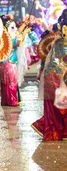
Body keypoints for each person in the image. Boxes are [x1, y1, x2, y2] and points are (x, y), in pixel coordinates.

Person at [32, 12, 67, 141]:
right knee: (57, 108)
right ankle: (52, 131)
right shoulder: (61, 43)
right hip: (55, 80)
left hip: (57, 78)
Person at [0, 16, 27, 107]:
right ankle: (12, 100)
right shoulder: (9, 39)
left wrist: (24, 25)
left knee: (5, 82)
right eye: (12, 27)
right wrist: (25, 33)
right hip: (9, 62)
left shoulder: (3, 37)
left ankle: (5, 100)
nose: (15, 29)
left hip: (3, 62)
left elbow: (17, 32)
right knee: (12, 81)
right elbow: (19, 42)